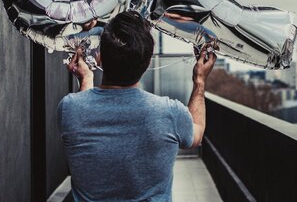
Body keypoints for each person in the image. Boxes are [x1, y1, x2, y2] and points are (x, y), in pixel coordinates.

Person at [58, 11, 217, 202]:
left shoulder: (69, 108)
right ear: (148, 61)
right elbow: (196, 135)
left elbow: (84, 110)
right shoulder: (169, 112)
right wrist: (199, 81)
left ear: (100, 57)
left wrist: (86, 79)